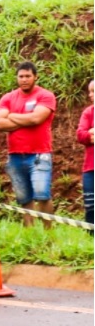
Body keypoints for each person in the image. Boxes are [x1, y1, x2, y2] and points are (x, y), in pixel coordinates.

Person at [0, 61, 57, 227]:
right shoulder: (8, 98)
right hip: (15, 155)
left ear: (35, 77)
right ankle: (30, 236)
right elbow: (0, 123)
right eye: (21, 76)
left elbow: (37, 118)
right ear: (17, 77)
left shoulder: (45, 95)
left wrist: (12, 116)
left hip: (39, 154)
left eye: (28, 76)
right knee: (24, 198)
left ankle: (48, 236)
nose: (24, 79)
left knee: (42, 195)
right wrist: (27, 119)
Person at [76, 80, 93, 228]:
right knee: (91, 205)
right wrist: (90, 135)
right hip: (90, 167)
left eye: (93, 91)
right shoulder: (88, 112)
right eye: (90, 92)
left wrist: (91, 132)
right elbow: (80, 134)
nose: (91, 95)